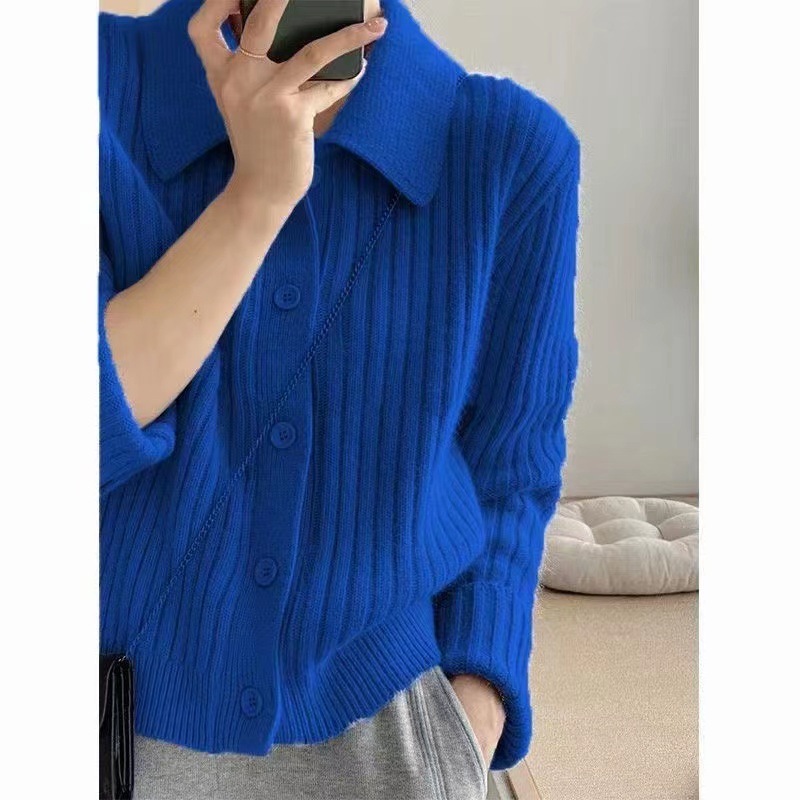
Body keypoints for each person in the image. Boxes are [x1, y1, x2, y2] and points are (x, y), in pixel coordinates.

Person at [98, 0, 580, 797]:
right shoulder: (81, 86)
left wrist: (473, 713)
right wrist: (257, 196)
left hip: (395, 743)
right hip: (108, 728)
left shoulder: (509, 151)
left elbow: (512, 469)